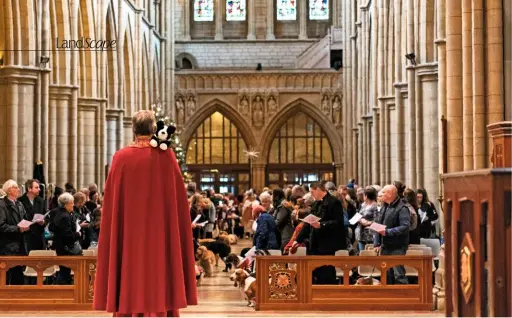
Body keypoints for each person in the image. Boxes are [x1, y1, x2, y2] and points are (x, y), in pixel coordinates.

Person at [93, 110, 197, 317]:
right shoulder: (165, 156)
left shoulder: (120, 157)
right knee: (159, 269)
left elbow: (112, 203)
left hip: (129, 236)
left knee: (130, 269)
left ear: (133, 129)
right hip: (160, 235)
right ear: (153, 129)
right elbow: (178, 202)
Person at [293, 181, 346, 284]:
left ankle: (327, 295)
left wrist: (321, 225)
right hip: (314, 244)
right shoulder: (316, 204)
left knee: (326, 272)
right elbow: (307, 224)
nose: (311, 195)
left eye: (312, 192)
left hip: (327, 244)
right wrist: (297, 240)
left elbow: (338, 223)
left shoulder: (334, 202)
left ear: (318, 189)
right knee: (314, 271)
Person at [373, 185, 410, 285]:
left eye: (383, 193)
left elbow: (405, 227)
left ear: (390, 194)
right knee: (386, 274)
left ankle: (404, 297)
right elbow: (379, 223)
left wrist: (387, 232)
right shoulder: (385, 206)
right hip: (385, 246)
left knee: (399, 275)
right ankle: (389, 298)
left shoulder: (402, 208)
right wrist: (376, 242)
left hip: (397, 246)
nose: (381, 195)